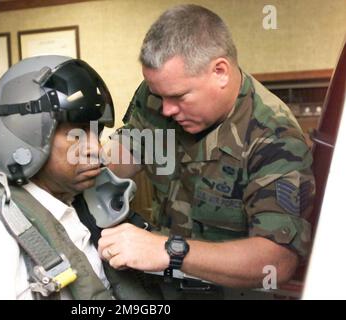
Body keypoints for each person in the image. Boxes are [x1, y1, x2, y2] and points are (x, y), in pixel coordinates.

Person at [101, 4, 315, 295]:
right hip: (166, 285)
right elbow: (130, 149)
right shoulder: (160, 94)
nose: (166, 109)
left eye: (178, 97)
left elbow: (277, 261)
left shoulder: (275, 137)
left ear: (220, 72)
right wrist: (83, 164)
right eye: (158, 95)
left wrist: (170, 250)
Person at [0, 55, 116, 299]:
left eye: (96, 132)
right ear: (24, 136)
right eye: (76, 135)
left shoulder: (82, 208)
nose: (96, 150)